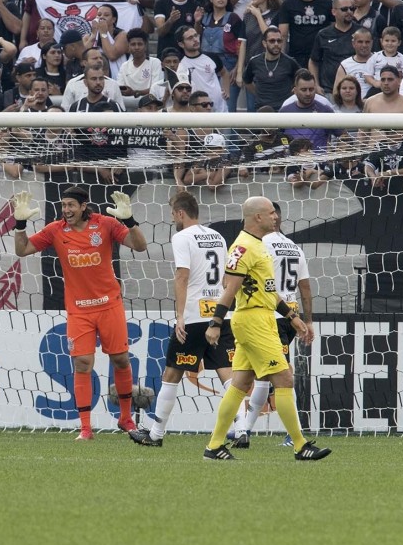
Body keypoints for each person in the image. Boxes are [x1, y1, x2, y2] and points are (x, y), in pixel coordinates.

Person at [13, 186, 147, 440]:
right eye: (63, 205)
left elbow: (139, 246)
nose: (66, 210)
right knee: (83, 363)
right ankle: (86, 428)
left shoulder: (105, 224)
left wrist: (129, 220)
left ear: (84, 206)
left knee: (120, 360)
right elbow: (23, 250)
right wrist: (19, 224)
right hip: (79, 310)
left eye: (71, 205)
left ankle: (126, 418)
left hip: (109, 305)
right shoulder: (55, 230)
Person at [201, 196, 330, 461]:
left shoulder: (260, 246)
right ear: (257, 217)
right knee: (284, 378)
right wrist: (215, 323)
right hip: (253, 321)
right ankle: (300, 445)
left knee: (240, 384)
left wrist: (292, 317)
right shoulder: (243, 248)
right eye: (271, 213)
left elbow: (269, 292)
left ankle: (214, 446)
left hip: (263, 317)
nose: (276, 217)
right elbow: (229, 290)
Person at [128, 192, 237, 447]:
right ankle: (241, 429)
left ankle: (155, 434)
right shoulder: (218, 237)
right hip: (220, 315)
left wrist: (180, 316)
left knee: (171, 374)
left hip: (194, 317)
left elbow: (182, 276)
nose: (172, 219)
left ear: (180, 213)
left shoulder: (181, 237)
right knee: (229, 375)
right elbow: (226, 278)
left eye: (172, 214)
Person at [236, 201, 314, 444]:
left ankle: (292, 435)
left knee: (279, 375)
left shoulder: (262, 244)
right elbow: (305, 287)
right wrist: (308, 321)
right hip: (292, 315)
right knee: (263, 375)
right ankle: (244, 431)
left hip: (271, 315)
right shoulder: (294, 247)